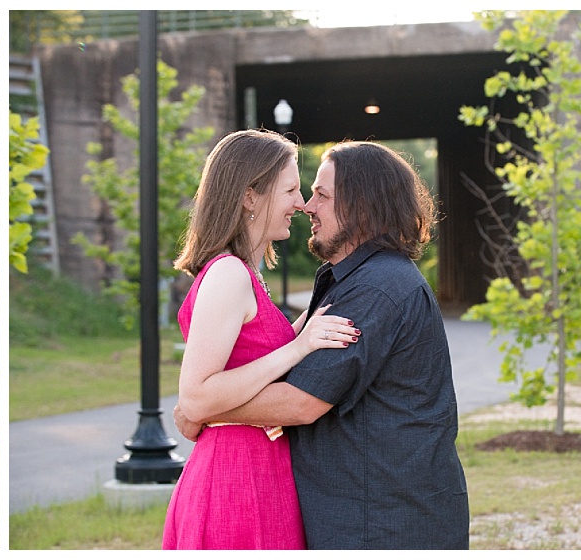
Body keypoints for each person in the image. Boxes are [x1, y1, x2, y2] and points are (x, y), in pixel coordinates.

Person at [175, 141, 470, 549]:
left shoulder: (377, 287)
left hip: (380, 523)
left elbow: (301, 402)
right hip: (328, 506)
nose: (306, 205)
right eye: (297, 191)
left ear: (362, 208)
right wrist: (200, 402)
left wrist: (203, 409)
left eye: (321, 195)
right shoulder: (344, 280)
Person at [162, 129, 359, 550]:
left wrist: (309, 321)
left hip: (262, 467)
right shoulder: (228, 274)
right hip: (235, 478)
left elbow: (245, 362)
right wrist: (299, 345)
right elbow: (195, 397)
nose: (302, 203)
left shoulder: (248, 275)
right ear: (250, 195)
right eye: (290, 189)